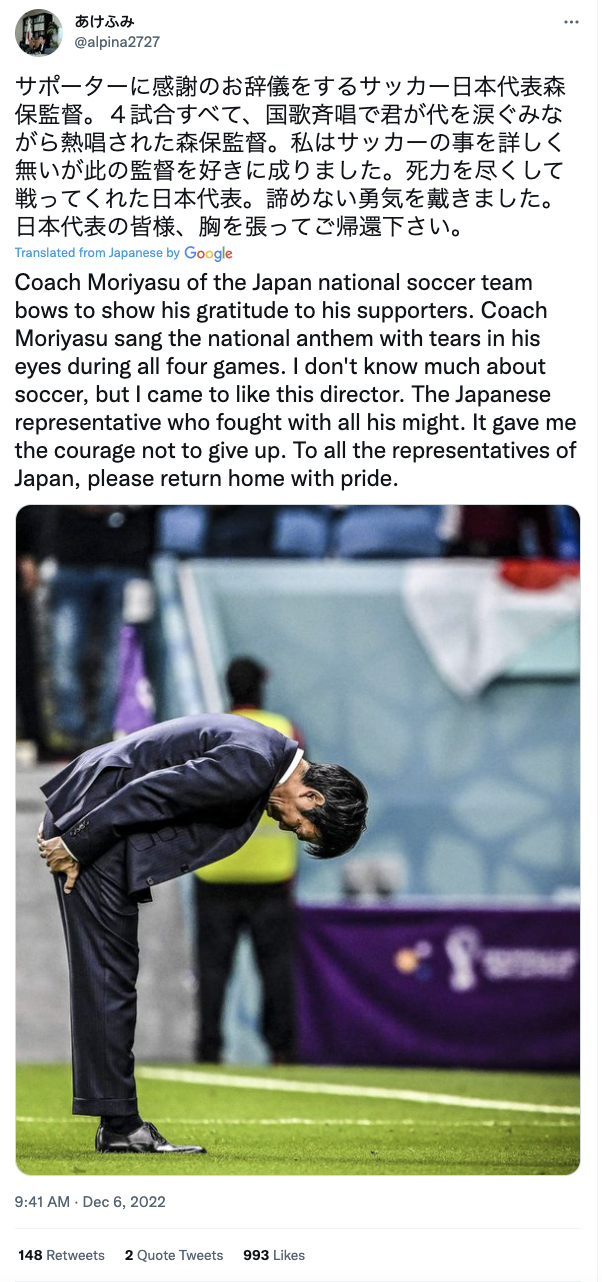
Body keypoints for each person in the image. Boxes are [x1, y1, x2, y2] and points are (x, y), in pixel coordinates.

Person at [37, 714, 367, 1154]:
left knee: (109, 974)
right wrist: (77, 841)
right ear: (312, 795)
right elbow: (150, 791)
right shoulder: (253, 765)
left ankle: (118, 1121)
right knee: (107, 976)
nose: (294, 831)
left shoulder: (265, 754)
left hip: (93, 818)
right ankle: (120, 1127)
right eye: (308, 828)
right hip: (93, 826)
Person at [194, 658, 305, 1063]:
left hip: (215, 869)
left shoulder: (211, 731)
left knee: (212, 970)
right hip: (272, 873)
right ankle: (283, 1051)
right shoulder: (286, 730)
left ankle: (209, 1050)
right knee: (275, 968)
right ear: (259, 688)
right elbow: (306, 794)